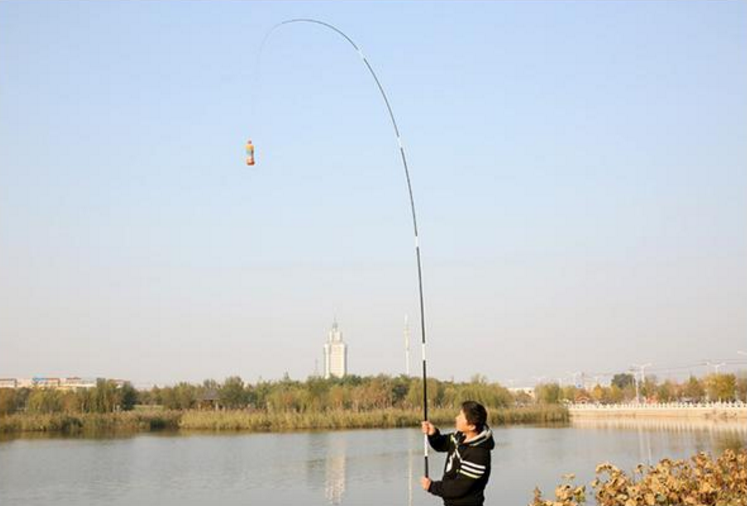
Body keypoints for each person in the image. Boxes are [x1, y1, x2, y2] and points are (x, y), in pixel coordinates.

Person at [420, 401, 495, 506]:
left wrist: (432, 486)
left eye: (461, 416)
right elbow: (441, 444)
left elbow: (457, 488)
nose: (456, 418)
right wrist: (433, 433)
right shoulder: (460, 436)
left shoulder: (479, 455)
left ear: (471, 427)